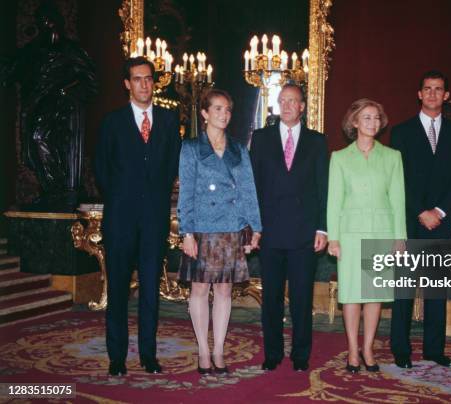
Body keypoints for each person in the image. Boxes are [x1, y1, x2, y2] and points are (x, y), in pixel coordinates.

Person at [95, 57, 181, 376]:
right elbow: (101, 170)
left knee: (150, 292)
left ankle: (148, 356)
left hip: (154, 221)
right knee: (117, 290)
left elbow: (172, 164)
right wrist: (122, 199)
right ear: (127, 84)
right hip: (120, 220)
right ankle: (117, 358)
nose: (144, 84)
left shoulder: (170, 121)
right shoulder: (112, 122)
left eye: (149, 78)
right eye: (138, 79)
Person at [178, 89, 262, 375]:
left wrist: (256, 228)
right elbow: (185, 193)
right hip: (201, 227)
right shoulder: (190, 148)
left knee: (225, 290)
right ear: (204, 113)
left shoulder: (239, 149)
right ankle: (203, 349)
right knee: (200, 289)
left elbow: (249, 190)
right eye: (217, 109)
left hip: (230, 225)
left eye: (227, 109)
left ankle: (219, 349)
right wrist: (186, 233)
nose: (224, 114)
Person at [390, 70, 451, 369]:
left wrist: (441, 211)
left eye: (439, 89)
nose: (433, 94)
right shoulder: (401, 132)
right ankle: (401, 349)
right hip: (410, 221)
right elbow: (398, 180)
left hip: (442, 222)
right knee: (404, 291)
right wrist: (420, 211)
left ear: (447, 95)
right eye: (427, 89)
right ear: (419, 94)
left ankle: (435, 350)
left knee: (437, 292)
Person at [250, 84, 329, 372]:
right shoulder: (260, 139)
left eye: (292, 101)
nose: (286, 105)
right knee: (270, 298)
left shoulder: (317, 142)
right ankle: (272, 354)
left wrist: (322, 228)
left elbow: (324, 188)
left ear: (302, 107)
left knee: (301, 297)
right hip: (269, 232)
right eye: (282, 101)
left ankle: (300, 355)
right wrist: (252, 227)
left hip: (304, 233)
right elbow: (253, 187)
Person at [327, 99, 406, 373]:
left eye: (376, 118)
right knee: (351, 296)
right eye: (366, 117)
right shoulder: (339, 158)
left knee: (374, 295)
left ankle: (368, 348)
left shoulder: (392, 157)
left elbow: (398, 200)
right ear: (354, 123)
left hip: (381, 233)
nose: (372, 122)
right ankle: (352, 349)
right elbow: (334, 201)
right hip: (349, 235)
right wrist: (333, 238)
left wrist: (400, 238)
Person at [3, 0, 97, 210]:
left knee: (39, 137)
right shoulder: (34, 50)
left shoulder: (70, 50)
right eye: (42, 20)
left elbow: (90, 82)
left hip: (61, 109)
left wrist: (66, 90)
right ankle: (50, 190)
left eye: (48, 19)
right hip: (35, 106)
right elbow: (11, 70)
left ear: (56, 21)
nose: (46, 24)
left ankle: (57, 190)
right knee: (33, 148)